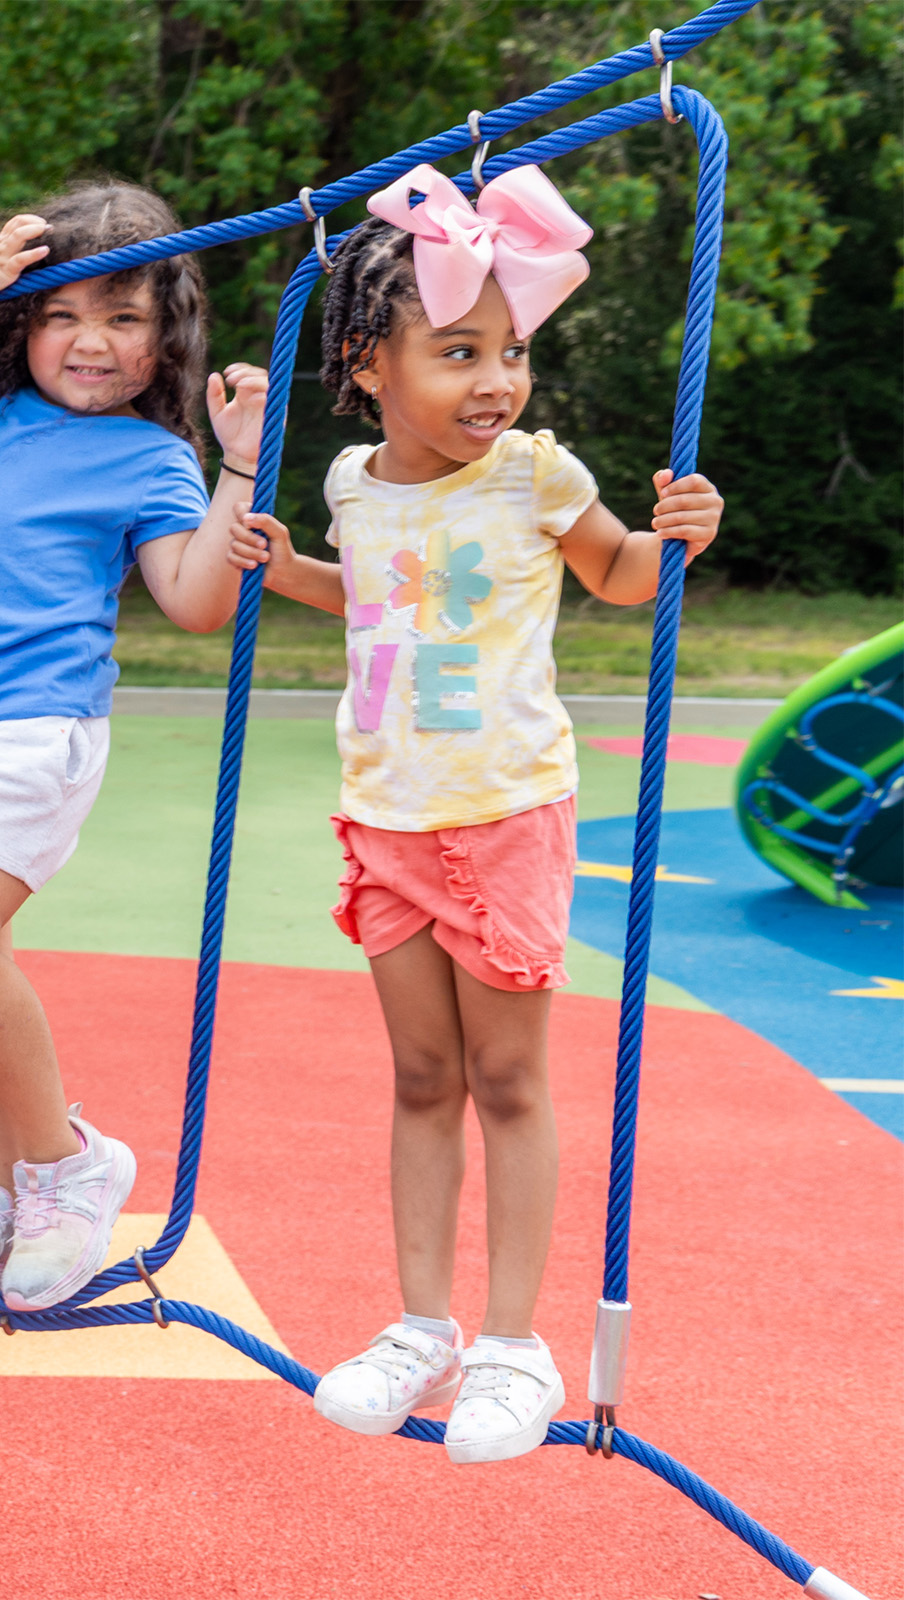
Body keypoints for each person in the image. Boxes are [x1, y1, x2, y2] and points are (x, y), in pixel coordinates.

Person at [225, 163, 723, 1464]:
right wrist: (298, 575)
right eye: (459, 352)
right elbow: (379, 601)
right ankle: (422, 1325)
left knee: (507, 1078)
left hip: (502, 812)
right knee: (420, 1077)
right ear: (368, 364)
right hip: (386, 812)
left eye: (508, 351)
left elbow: (614, 574)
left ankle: (515, 1344)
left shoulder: (534, 475)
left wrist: (677, 534)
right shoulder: (351, 482)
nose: (495, 380)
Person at [0, 181, 263, 1311]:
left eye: (125, 318)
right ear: (20, 321)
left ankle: (70, 1166)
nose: (91, 342)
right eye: (63, 313)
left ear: (164, 337)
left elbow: (196, 600)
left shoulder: (148, 459)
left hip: (36, 721)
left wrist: (239, 465)